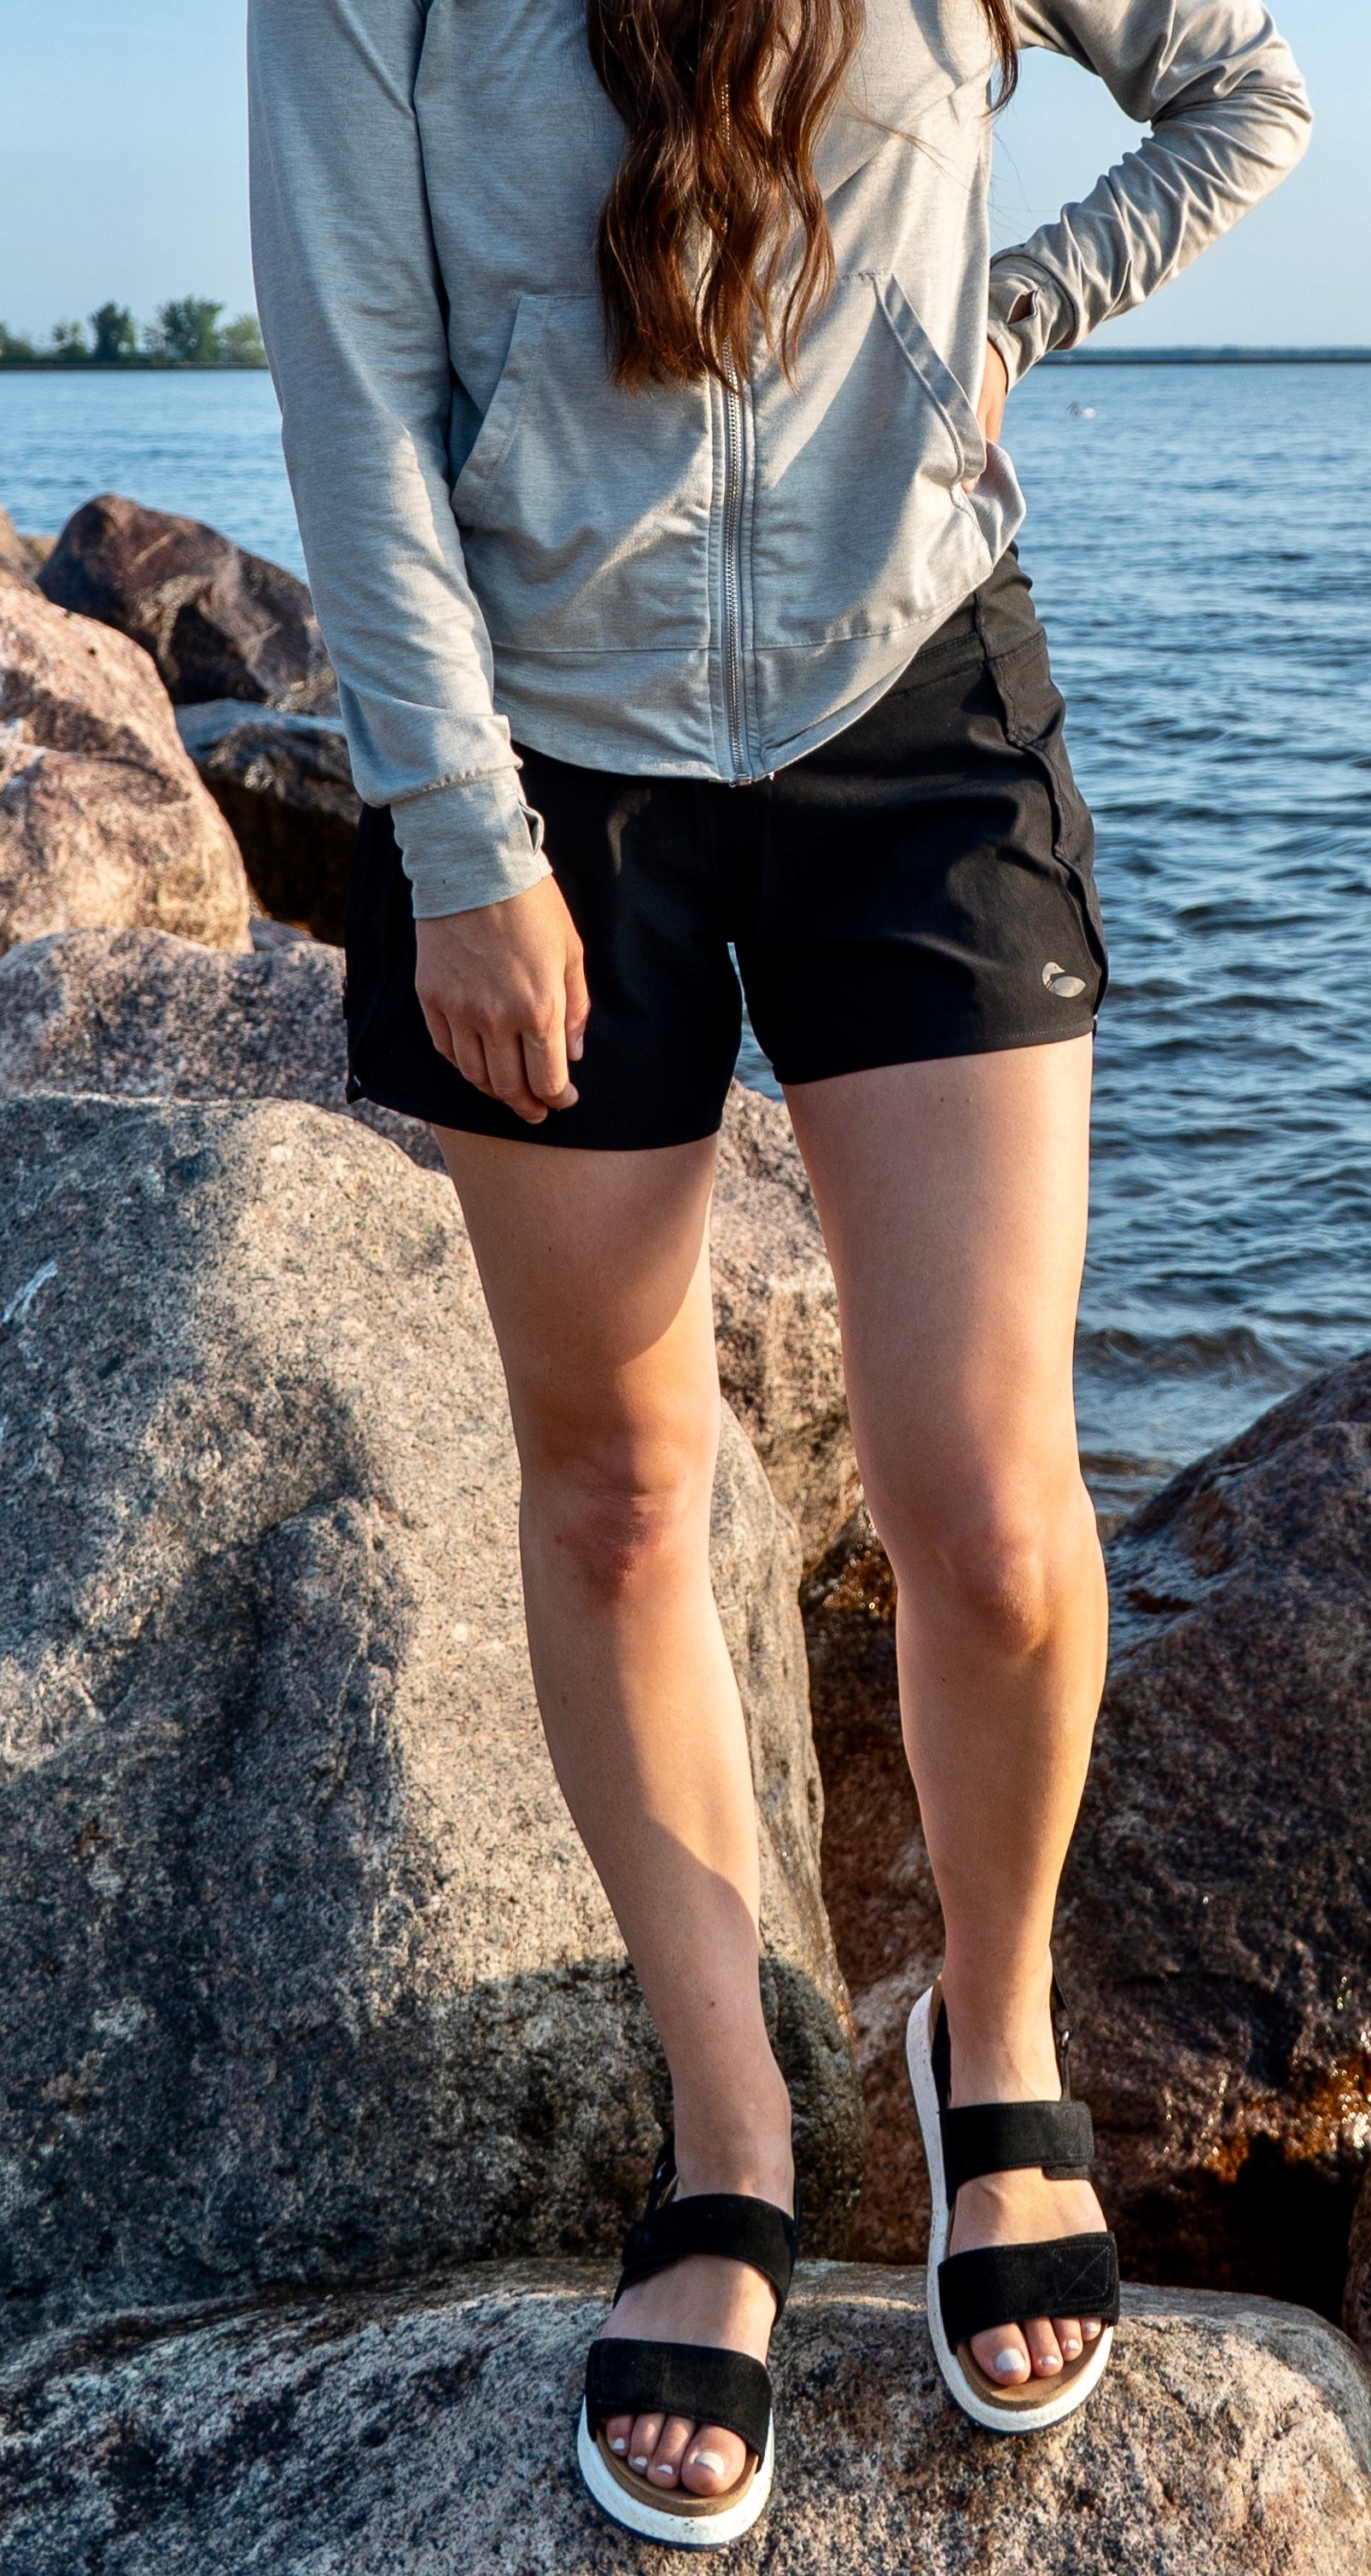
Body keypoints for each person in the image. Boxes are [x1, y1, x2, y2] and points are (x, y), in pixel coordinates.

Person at [249, 0, 1308, 2544]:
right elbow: (354, 372)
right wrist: (454, 828)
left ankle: (992, 2036)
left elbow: (1243, 93)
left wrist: (1007, 313)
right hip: (544, 764)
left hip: (909, 712)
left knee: (992, 1501)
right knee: (616, 1484)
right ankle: (726, 2131)